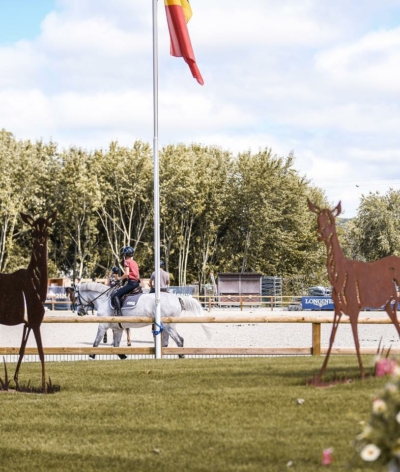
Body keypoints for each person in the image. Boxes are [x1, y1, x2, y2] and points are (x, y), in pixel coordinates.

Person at [112, 246, 140, 316]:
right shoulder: (134, 262)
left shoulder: (126, 261)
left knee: (115, 296)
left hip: (131, 283)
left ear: (125, 254)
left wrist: (119, 279)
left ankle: (119, 314)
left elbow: (127, 273)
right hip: (136, 283)